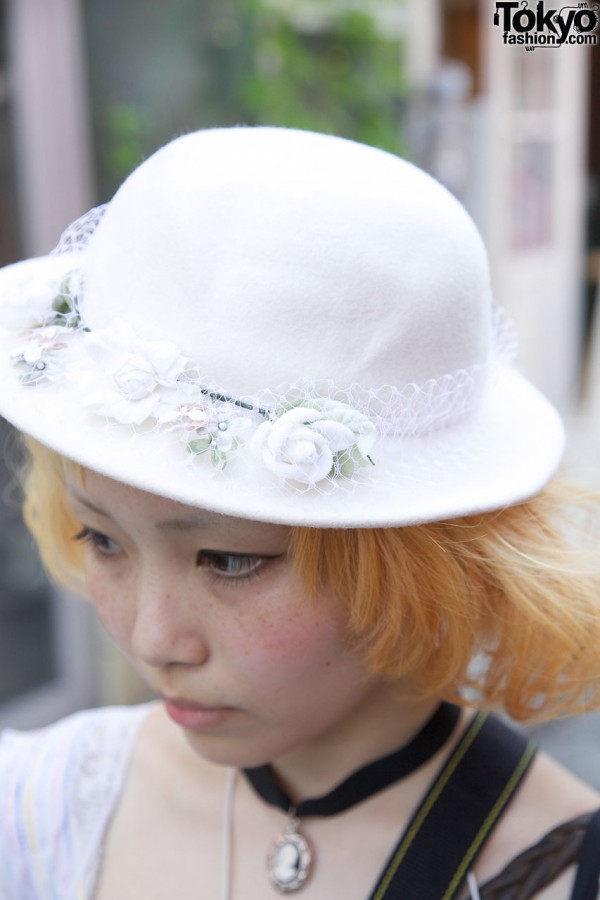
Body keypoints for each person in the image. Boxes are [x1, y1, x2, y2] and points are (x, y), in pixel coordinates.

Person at [0, 126, 598, 900]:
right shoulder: (42, 808)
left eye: (228, 559)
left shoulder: (554, 873)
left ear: (418, 560)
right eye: (102, 538)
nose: (153, 640)